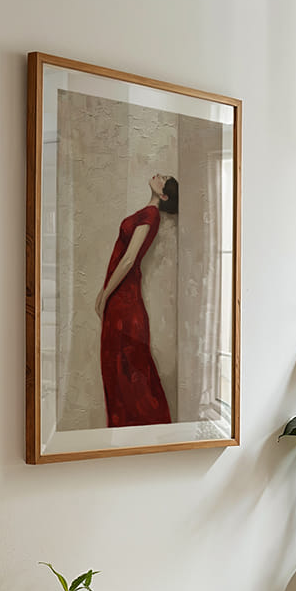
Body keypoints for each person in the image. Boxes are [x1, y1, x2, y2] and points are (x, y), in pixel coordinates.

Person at [95, 173, 179, 427]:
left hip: (124, 300)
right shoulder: (146, 212)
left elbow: (130, 259)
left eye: (163, 179)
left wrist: (104, 294)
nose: (159, 175)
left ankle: (144, 434)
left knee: (127, 370)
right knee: (117, 369)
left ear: (163, 195)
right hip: (122, 299)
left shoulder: (151, 215)